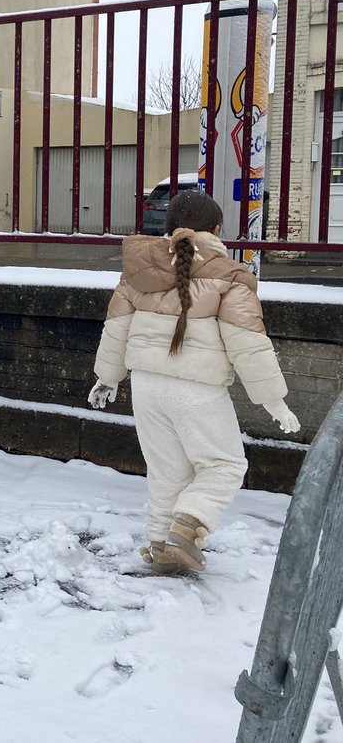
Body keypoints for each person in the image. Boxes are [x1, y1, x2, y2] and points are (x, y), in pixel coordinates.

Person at [87, 190, 300, 574]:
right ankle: (188, 526)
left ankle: (161, 548)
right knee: (225, 465)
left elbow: (116, 329)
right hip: (196, 389)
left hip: (147, 388)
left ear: (166, 227)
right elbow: (248, 343)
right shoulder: (229, 276)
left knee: (168, 472)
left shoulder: (138, 271)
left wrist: (108, 377)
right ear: (217, 230)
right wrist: (273, 400)